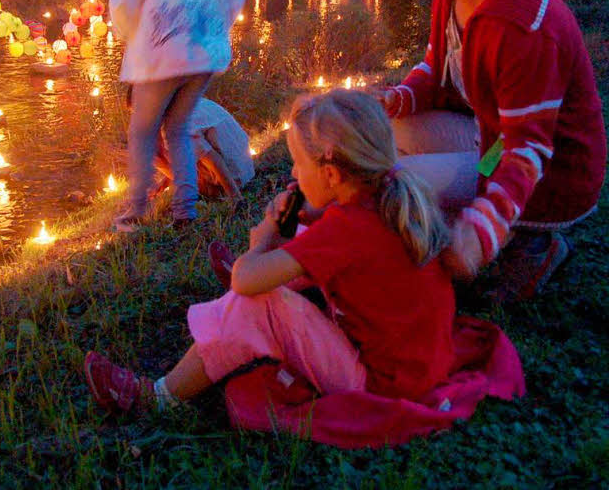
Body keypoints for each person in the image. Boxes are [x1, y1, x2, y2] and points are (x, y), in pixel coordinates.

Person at [85, 89, 456, 415]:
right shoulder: (383, 195)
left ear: (331, 175)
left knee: (257, 303)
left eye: (299, 163)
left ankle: (159, 397)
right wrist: (301, 216)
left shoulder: (347, 229)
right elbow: (335, 245)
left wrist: (263, 239)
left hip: (380, 386)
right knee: (297, 243)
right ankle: (271, 271)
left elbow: (245, 283)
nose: (293, 171)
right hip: (417, 367)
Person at [381, 0, 605, 302]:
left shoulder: (520, 27)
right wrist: (394, 99)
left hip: (551, 175)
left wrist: (481, 228)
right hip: (491, 140)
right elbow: (435, 69)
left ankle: (530, 240)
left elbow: (529, 151)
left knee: (386, 184)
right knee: (391, 132)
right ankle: (451, 225)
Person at [109, 0, 246, 232]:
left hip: (163, 53)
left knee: (142, 130)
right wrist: (212, 30)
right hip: (203, 56)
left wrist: (133, 33)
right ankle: (185, 212)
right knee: (179, 129)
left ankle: (136, 211)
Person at [151, 97, 255, 200]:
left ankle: (224, 191)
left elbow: (212, 158)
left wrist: (235, 197)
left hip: (236, 178)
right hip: (246, 166)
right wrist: (164, 182)